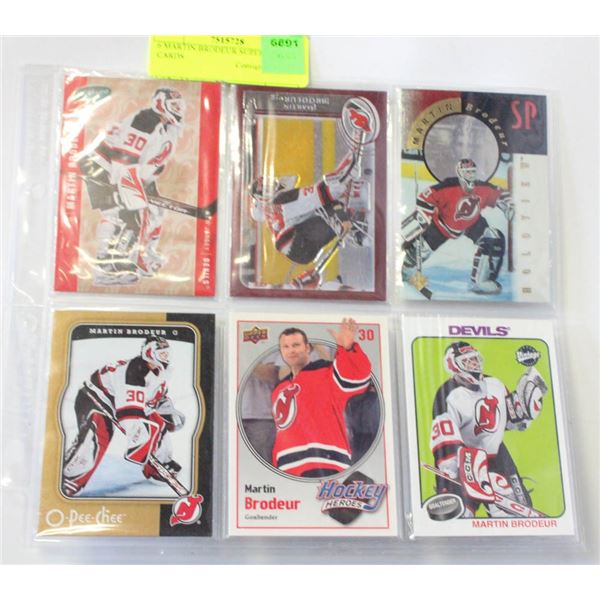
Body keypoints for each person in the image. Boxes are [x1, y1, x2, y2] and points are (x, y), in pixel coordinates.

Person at [79, 87, 186, 285]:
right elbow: (124, 157)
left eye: (179, 105)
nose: (178, 109)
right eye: (173, 105)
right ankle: (104, 268)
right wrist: (123, 191)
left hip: (127, 169)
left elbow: (149, 162)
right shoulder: (145, 121)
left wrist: (147, 186)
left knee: (155, 213)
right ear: (160, 104)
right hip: (104, 167)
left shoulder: (167, 127)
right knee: (120, 215)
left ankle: (143, 254)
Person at [430, 341, 547, 517]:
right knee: (458, 515)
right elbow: (444, 438)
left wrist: (525, 410)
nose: (474, 364)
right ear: (453, 365)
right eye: (467, 361)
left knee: (516, 514)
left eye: (474, 359)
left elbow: (508, 421)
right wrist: (451, 470)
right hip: (465, 460)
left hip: (497, 458)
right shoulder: (448, 395)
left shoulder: (495, 384)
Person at [62, 336, 185, 497]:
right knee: (99, 433)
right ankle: (70, 478)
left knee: (158, 424)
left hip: (117, 400)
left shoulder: (161, 372)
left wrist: (168, 412)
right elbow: (130, 413)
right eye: (161, 354)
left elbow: (156, 398)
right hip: (94, 397)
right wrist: (138, 440)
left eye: (166, 354)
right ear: (149, 353)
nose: (165, 358)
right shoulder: (135, 371)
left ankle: (158, 466)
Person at [270, 318, 372, 478]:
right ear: (281, 351)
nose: (291, 351)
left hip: (326, 460)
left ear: (307, 348)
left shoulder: (326, 372)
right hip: (287, 466)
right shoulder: (279, 389)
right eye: (286, 347)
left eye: (296, 345)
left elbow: (356, 375)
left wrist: (347, 348)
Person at [401, 158, 514, 294]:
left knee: (494, 238)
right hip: (443, 225)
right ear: (460, 173)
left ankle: (481, 282)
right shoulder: (448, 187)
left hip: (471, 223)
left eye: (473, 172)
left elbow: (500, 194)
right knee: (421, 250)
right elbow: (425, 197)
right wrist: (424, 215)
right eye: (467, 172)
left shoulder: (482, 187)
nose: (471, 175)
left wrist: (509, 206)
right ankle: (406, 271)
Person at [248, 150, 370, 270]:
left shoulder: (276, 205)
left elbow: (313, 203)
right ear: (261, 199)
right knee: (327, 203)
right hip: (298, 244)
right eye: (264, 188)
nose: (269, 184)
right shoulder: (278, 204)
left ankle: (354, 230)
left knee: (329, 206)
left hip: (298, 245)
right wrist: (343, 176)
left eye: (267, 182)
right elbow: (315, 196)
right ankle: (352, 228)